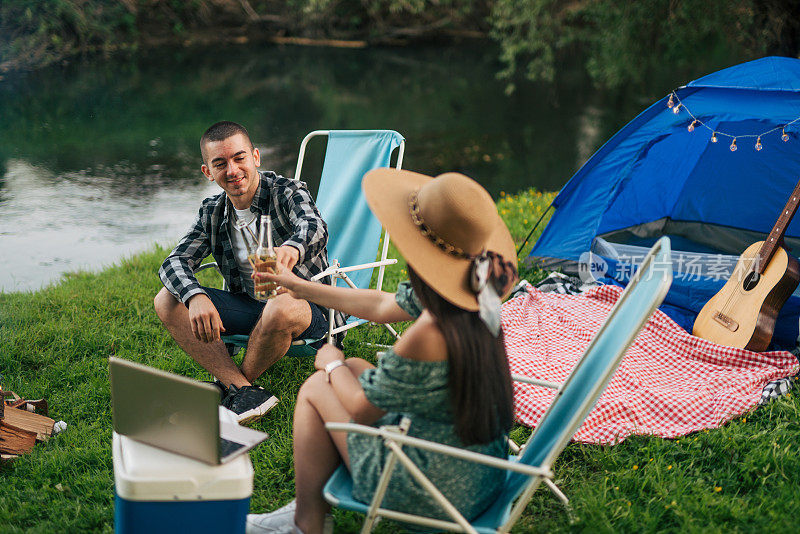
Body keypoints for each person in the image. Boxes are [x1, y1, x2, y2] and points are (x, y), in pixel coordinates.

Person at [245, 170, 519, 534]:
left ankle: (307, 522)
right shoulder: (473, 296)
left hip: (432, 491)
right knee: (358, 366)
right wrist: (299, 287)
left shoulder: (427, 333)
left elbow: (360, 409)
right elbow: (379, 304)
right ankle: (310, 501)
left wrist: (331, 364)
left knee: (315, 388)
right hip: (479, 471)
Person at [154, 121, 344, 424]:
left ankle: (227, 387)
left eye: (239, 157)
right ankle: (244, 390)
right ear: (208, 172)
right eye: (220, 163)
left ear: (255, 157)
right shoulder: (212, 211)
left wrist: (292, 249)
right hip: (250, 306)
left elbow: (314, 226)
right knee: (167, 299)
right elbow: (173, 262)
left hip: (306, 310)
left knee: (280, 303)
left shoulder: (287, 191)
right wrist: (195, 296)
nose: (232, 170)